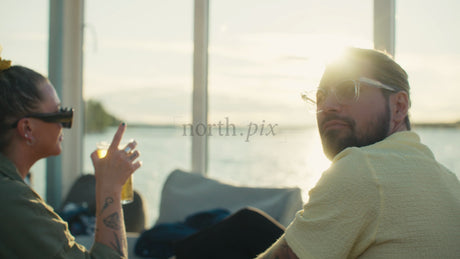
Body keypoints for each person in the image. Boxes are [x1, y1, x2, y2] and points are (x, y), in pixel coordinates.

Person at [170, 47, 460, 258]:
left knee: (238, 231)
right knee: (249, 224)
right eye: (320, 96)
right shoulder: (449, 181)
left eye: (349, 89)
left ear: (398, 106)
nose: (328, 105)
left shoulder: (362, 169)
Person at [0, 51, 142, 258]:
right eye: (60, 113)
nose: (64, 125)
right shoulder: (13, 200)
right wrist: (110, 188)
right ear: (27, 129)